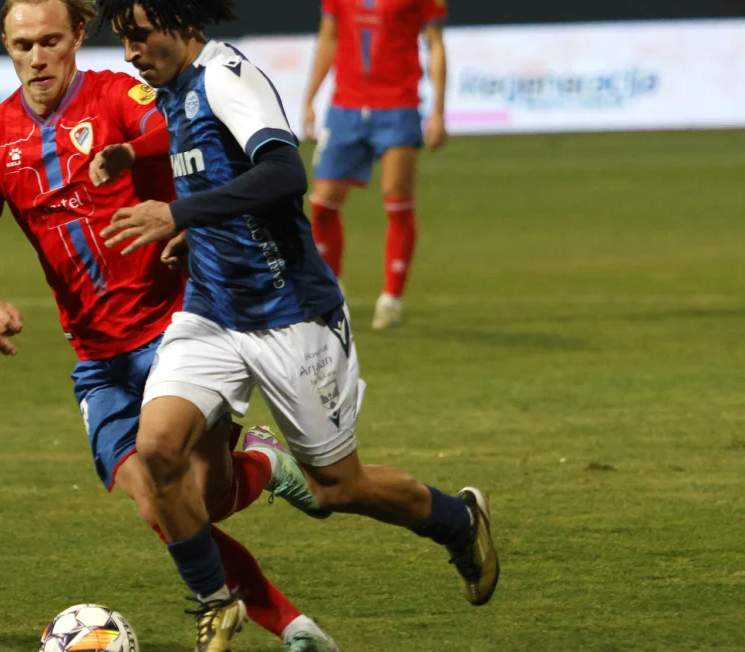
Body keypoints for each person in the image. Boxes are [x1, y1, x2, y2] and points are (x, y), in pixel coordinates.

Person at [96, 1, 498, 649]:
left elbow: (283, 172)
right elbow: (211, 162)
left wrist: (178, 216)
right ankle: (216, 603)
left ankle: (457, 519)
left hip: (289, 314)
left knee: (337, 488)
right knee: (158, 450)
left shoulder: (228, 77)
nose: (129, 53)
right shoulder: (176, 88)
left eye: (138, 37)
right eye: (123, 40)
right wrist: (175, 205)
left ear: (181, 22)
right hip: (210, 310)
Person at [0, 1, 339, 649]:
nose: (37, 58)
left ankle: (263, 464)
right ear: (6, 47)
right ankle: (293, 628)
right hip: (98, 359)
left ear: (77, 36)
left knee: (205, 500)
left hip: (177, 331)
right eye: (22, 46)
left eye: (49, 41)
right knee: (158, 503)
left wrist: (132, 158)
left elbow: (183, 138)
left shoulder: (117, 97)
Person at [302, 0, 450, 329]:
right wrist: (310, 98)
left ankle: (391, 299)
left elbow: (436, 44)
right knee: (322, 204)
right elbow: (328, 38)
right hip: (345, 107)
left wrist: (438, 111)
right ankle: (332, 290)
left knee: (397, 200)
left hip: (398, 107)